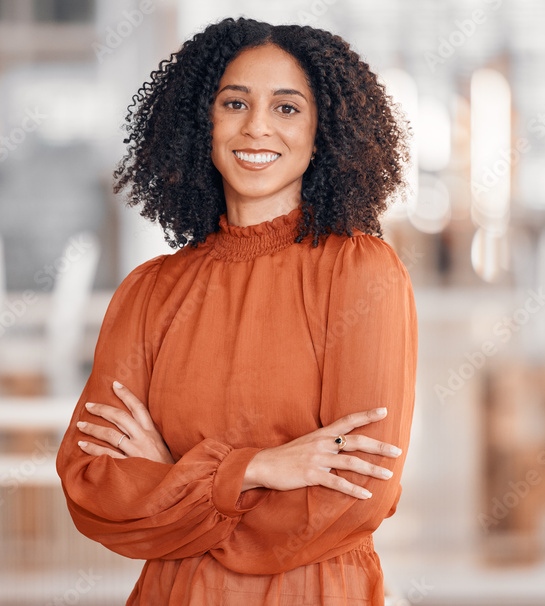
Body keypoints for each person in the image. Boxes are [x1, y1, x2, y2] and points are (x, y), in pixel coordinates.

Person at [56, 17, 418, 605]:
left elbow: (355, 495)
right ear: (203, 121)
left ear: (323, 130)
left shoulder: (360, 273)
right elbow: (94, 487)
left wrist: (176, 478)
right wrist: (255, 469)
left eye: (287, 108)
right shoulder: (149, 293)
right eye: (234, 103)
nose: (256, 127)